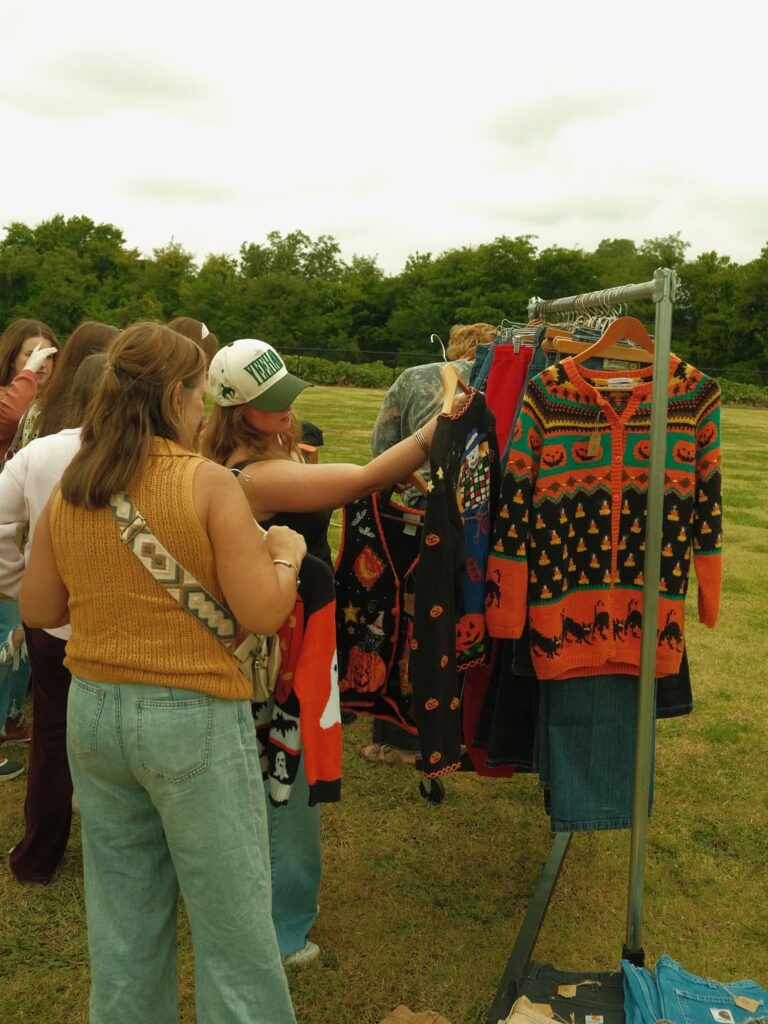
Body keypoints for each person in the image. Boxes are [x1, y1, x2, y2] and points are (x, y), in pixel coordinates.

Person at [19, 322, 305, 1023]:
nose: (205, 410)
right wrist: (286, 553)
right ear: (176, 395)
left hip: (93, 712)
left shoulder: (77, 483)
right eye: (201, 394)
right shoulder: (205, 482)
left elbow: (38, 607)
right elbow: (262, 611)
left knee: (122, 919)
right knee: (233, 921)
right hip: (192, 715)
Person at [202, 337, 464, 967]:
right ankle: (283, 933)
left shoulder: (233, 457)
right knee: (286, 783)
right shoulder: (254, 474)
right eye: (273, 402)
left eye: (288, 396)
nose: (289, 409)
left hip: (269, 638)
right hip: (281, 648)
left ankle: (264, 911)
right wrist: (439, 423)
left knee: (266, 778)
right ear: (238, 412)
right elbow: (364, 479)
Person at [363, 322, 495, 765]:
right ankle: (468, 731)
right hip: (488, 519)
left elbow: (382, 451)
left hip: (424, 515)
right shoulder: (507, 381)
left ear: (455, 348)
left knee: (414, 624)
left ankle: (402, 737)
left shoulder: (414, 378)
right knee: (471, 618)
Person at [1, 353, 108, 883]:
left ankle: (39, 855)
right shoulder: (147, 455)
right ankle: (123, 853)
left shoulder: (40, 453)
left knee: (51, 735)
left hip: (52, 624)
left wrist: (20, 586)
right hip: (118, 621)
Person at [0, 318, 60, 779]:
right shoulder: (12, 399)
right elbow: (7, 419)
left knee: (18, 630)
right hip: (7, 529)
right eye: (30, 354)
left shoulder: (57, 407)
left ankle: (11, 717)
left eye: (48, 355)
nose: (41, 364)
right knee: (8, 632)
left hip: (24, 530)